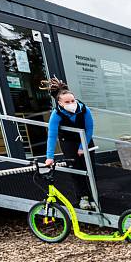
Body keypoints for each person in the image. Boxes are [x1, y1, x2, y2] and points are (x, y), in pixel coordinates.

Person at [42, 77, 96, 210]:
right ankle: (83, 198)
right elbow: (52, 135)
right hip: (68, 142)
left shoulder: (84, 110)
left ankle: (94, 197)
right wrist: (50, 157)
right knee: (76, 170)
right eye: (67, 101)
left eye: (72, 100)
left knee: (90, 169)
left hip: (86, 140)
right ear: (60, 103)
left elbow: (89, 129)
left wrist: (82, 147)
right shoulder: (56, 114)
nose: (71, 103)